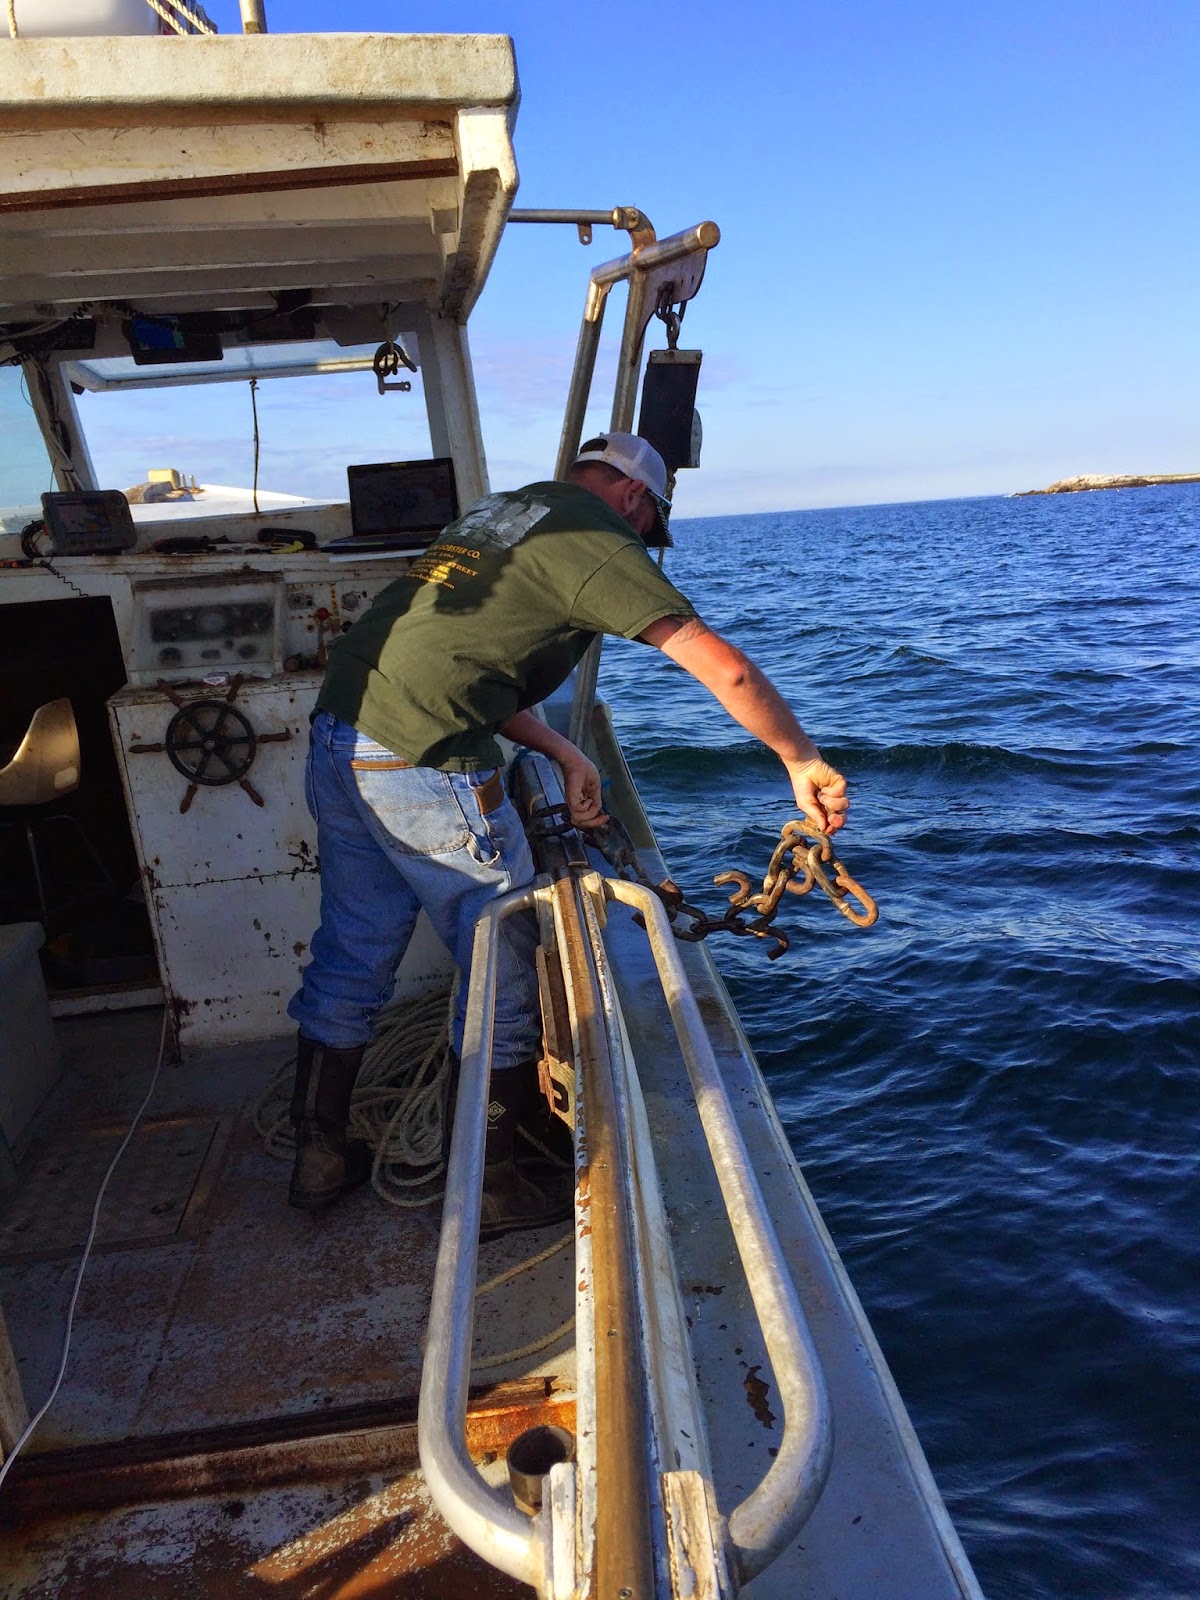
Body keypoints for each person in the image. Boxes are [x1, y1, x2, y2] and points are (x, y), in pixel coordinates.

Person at [286, 432, 847, 1233]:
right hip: (421, 756)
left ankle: (317, 1159)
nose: (642, 541)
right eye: (647, 526)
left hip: (344, 738)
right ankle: (493, 1189)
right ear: (634, 497)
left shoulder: (504, 514)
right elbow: (723, 668)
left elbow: (467, 663)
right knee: (501, 965)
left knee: (353, 948)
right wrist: (802, 760)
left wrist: (560, 748)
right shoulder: (597, 536)